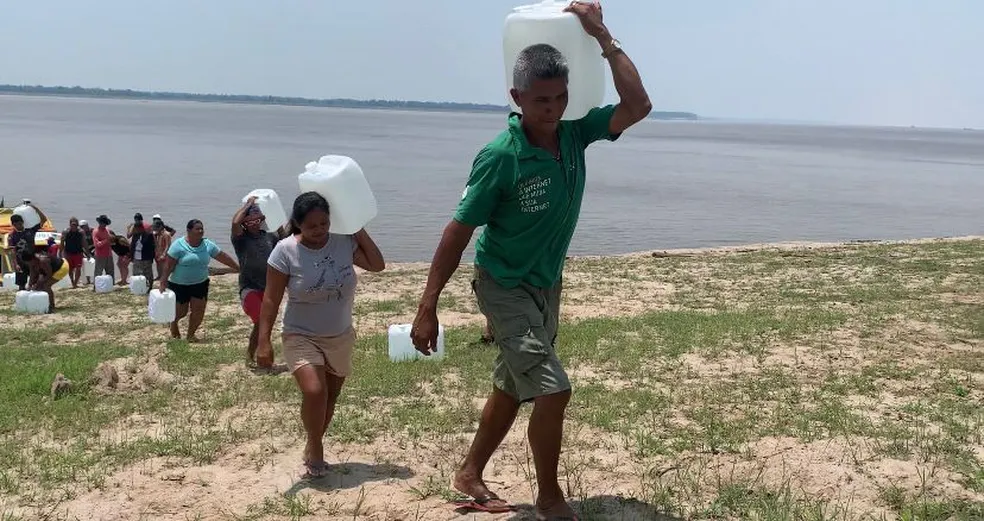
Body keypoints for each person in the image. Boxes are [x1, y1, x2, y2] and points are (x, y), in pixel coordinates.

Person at [409, 4, 652, 518]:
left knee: (512, 385)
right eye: (542, 100)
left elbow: (639, 105)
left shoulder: (574, 133)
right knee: (553, 390)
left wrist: (603, 36)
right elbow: (457, 232)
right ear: (516, 97)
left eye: (561, 97)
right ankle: (549, 498)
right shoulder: (501, 156)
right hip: (503, 284)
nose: (553, 109)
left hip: (546, 283)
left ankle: (470, 472)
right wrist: (427, 306)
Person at [255, 192, 384, 477]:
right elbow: (270, 299)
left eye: (324, 223)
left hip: (340, 335)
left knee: (331, 397)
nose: (320, 230)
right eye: (312, 225)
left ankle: (313, 442)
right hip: (300, 334)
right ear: (298, 223)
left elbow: (377, 264)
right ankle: (315, 446)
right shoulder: (285, 251)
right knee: (315, 392)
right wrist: (263, 341)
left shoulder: (343, 241)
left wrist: (355, 226)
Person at [158, 219, 240, 342]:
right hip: (179, 284)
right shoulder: (178, 245)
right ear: (189, 230)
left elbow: (222, 256)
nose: (201, 231)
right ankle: (173, 323)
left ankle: (190, 335)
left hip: (200, 283)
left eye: (202, 228)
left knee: (198, 311)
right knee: (181, 312)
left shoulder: (207, 245)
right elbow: (168, 265)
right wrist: (163, 281)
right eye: (197, 229)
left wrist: (238, 268)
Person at [231, 196, 289, 364]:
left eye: (257, 220)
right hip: (249, 288)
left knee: (263, 323)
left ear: (262, 221)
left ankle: (252, 354)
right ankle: (260, 354)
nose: (254, 224)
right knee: (260, 320)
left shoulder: (269, 237)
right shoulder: (240, 239)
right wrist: (249, 204)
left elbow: (286, 241)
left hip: (269, 288)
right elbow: (235, 222)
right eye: (249, 221)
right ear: (244, 223)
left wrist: (277, 221)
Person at [4, 203, 48, 291]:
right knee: (21, 284)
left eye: (20, 224)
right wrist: (15, 264)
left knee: (36, 281)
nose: (18, 226)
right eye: (16, 225)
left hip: (33, 260)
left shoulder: (31, 230)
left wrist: (36, 208)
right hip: (21, 261)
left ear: (23, 222)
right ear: (13, 225)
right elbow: (13, 251)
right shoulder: (12, 236)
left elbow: (44, 220)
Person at [59, 217, 89, 289]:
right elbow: (62, 243)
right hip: (68, 253)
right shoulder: (65, 232)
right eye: (72, 224)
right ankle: (72, 282)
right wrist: (60, 252)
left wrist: (88, 253)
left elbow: (84, 243)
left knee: (78, 268)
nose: (73, 226)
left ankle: (75, 283)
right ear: (70, 224)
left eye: (75, 224)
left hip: (78, 253)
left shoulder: (81, 232)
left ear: (77, 224)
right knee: (70, 269)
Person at [91, 215, 115, 283]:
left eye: (105, 223)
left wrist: (112, 239)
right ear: (100, 223)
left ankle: (111, 284)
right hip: (100, 255)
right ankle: (96, 285)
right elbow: (97, 244)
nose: (104, 225)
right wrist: (106, 240)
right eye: (103, 223)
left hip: (109, 254)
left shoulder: (107, 230)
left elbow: (111, 240)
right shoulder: (96, 232)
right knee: (98, 272)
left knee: (110, 272)